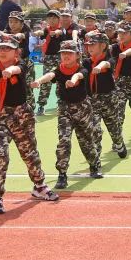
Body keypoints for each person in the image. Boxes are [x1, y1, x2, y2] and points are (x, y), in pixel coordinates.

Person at [0, 33, 59, 214]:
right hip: (0, 116)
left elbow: (18, 70)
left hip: (22, 115)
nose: (2, 52)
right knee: (0, 155)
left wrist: (9, 71)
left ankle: (39, 186)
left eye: (7, 49)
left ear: (16, 52)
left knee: (29, 153)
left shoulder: (22, 63)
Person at [31, 40, 102, 190]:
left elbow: (79, 76)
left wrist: (73, 81)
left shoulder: (82, 68)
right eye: (63, 53)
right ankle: (62, 174)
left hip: (83, 108)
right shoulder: (59, 69)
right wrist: (39, 81)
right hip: (65, 109)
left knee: (87, 140)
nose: (66, 56)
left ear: (77, 55)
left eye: (69, 53)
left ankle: (94, 165)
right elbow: (50, 75)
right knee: (64, 140)